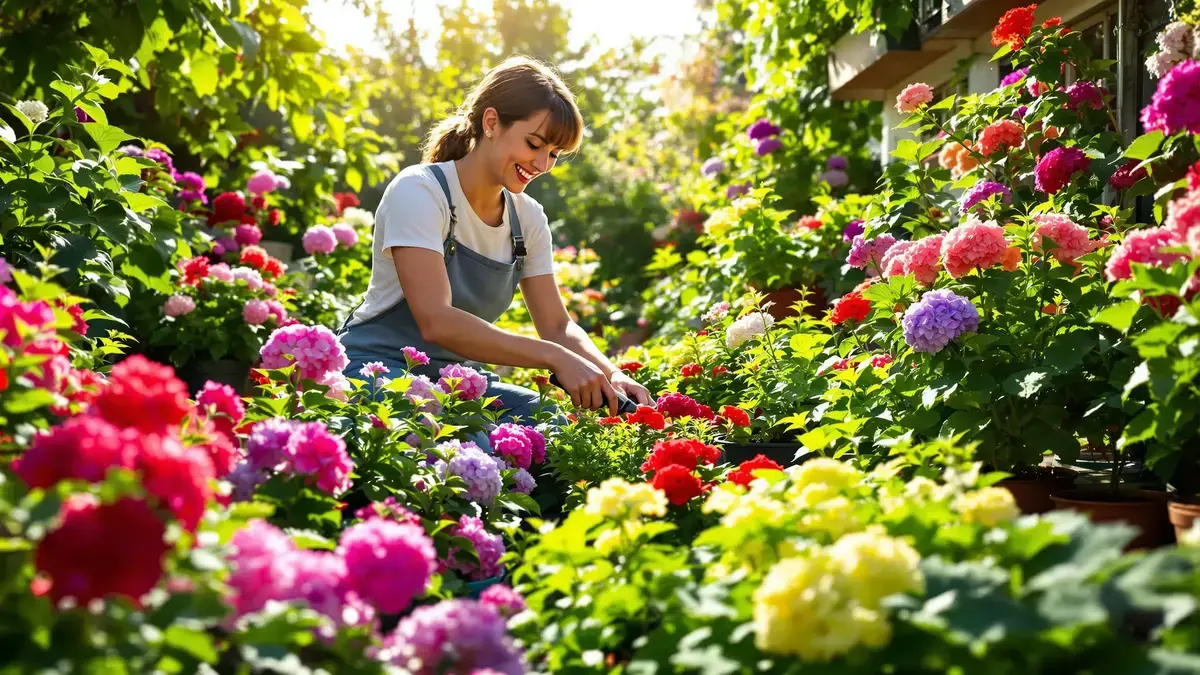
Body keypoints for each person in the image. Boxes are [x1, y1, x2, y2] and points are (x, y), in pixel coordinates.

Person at [339, 56, 652, 423]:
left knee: (551, 426)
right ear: (491, 123)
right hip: (376, 369)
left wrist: (610, 372)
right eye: (534, 144)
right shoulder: (420, 191)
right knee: (466, 444)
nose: (542, 164)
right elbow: (436, 320)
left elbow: (557, 326)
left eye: (554, 154)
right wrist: (553, 356)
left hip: (453, 381)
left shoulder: (527, 218)